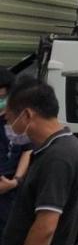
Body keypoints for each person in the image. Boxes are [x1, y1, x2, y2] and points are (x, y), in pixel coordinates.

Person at [0, 78, 78, 245]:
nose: (8, 123)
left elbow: (45, 226)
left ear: (28, 115)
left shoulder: (58, 158)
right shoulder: (56, 149)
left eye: (10, 117)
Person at [0, 69, 32, 233]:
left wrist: (15, 181)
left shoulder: (17, 120)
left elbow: (27, 150)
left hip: (9, 189)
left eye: (2, 98)